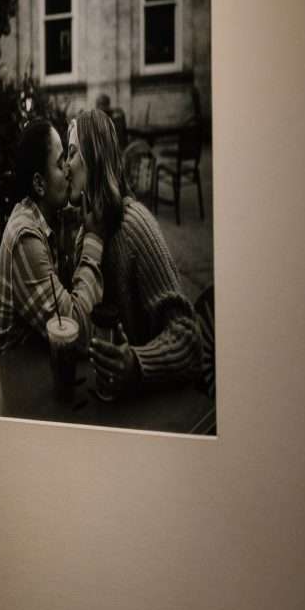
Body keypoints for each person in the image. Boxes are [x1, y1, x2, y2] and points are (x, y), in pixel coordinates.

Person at [73, 106, 208, 401]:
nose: (65, 166)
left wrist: (137, 362)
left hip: (152, 407)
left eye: (71, 153)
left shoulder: (135, 226)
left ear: (92, 160)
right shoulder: (86, 232)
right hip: (105, 400)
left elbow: (190, 338)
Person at [0, 115, 104, 359]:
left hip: (39, 363)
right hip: (7, 377)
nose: (69, 169)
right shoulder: (26, 238)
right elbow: (75, 335)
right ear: (39, 184)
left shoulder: (52, 215)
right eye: (61, 164)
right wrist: (93, 240)